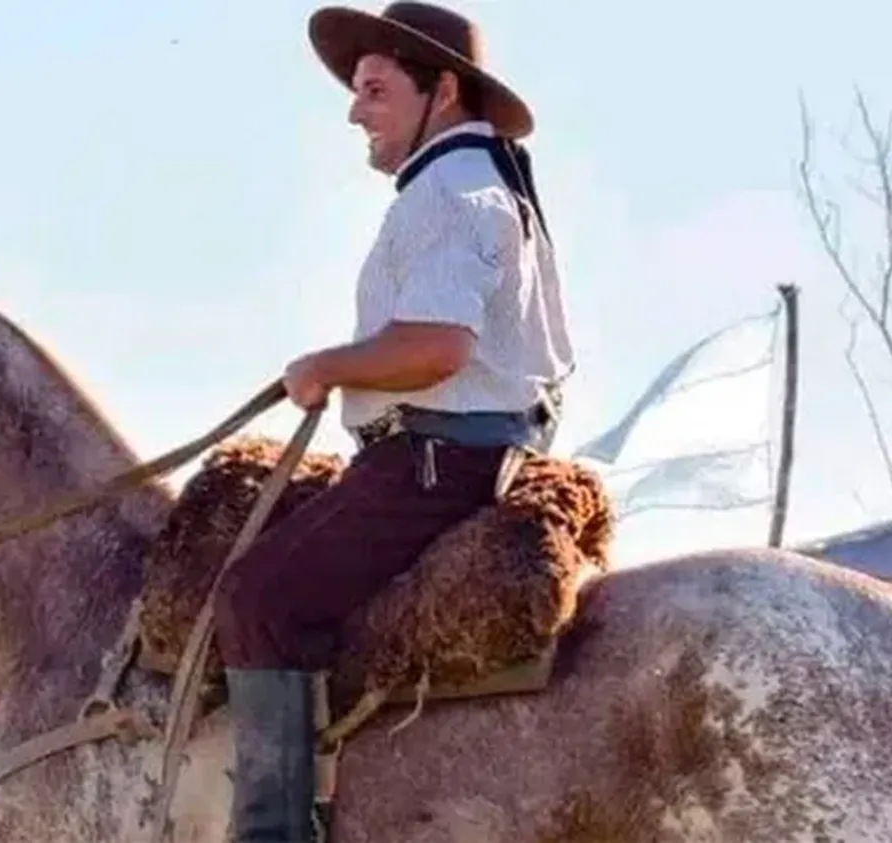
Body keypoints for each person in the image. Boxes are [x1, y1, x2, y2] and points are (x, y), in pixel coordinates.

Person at [210, 2, 575, 840]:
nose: (354, 109)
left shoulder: (451, 189)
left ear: (441, 91)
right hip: (469, 451)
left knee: (258, 595)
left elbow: (439, 346)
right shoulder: (483, 183)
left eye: (375, 89)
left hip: (436, 462)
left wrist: (323, 367)